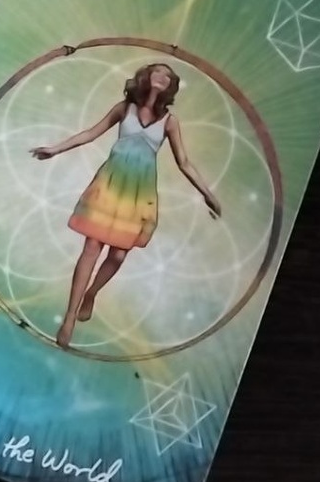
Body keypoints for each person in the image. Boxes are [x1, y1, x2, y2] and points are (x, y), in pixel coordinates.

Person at [31, 62, 222, 349]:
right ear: (146, 76)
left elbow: (184, 162)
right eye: (157, 71)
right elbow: (90, 133)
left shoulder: (170, 122)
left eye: (168, 76)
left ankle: (91, 293)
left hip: (139, 191)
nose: (162, 77)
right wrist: (54, 149)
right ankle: (69, 318)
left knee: (119, 255)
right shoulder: (124, 108)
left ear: (171, 86)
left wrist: (207, 193)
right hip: (110, 183)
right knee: (92, 247)